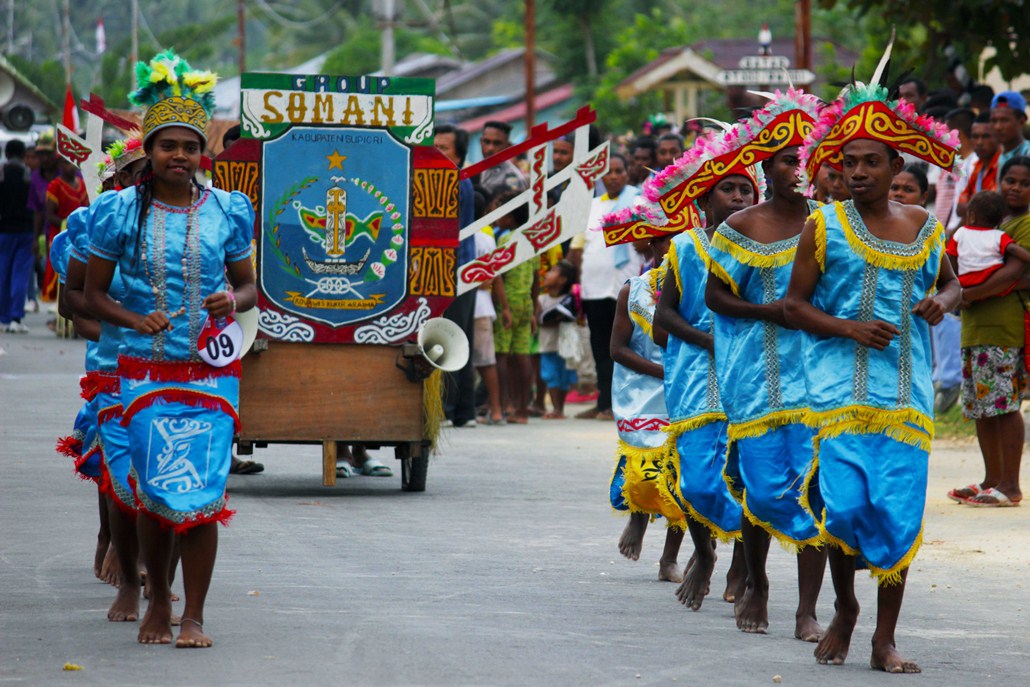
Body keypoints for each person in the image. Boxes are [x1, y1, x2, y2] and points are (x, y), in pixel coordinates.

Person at [788, 73, 963, 672]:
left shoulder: (922, 225)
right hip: (838, 387)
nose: (857, 172)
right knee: (843, 506)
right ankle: (845, 607)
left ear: (895, 167)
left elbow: (951, 284)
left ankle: (884, 639)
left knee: (896, 511)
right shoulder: (823, 225)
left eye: (870, 162)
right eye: (849, 162)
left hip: (905, 391)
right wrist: (849, 328)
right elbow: (794, 306)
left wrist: (943, 302)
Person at [84, 50, 256, 648]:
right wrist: (135, 318)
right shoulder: (117, 212)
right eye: (167, 146)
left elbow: (250, 286)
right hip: (142, 371)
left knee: (204, 495)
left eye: (189, 147)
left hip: (212, 372)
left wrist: (231, 300)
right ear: (150, 152)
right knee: (155, 493)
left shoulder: (228, 210)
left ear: (202, 153)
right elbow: (91, 294)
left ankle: (195, 616)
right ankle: (156, 597)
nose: (179, 155)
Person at [704, 90, 828, 640]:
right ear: (766, 167)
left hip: (816, 375)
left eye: (807, 159)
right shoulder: (742, 225)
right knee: (760, 487)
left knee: (814, 488)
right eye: (787, 160)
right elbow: (715, 297)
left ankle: (808, 610)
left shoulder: (830, 223)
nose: (798, 170)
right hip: (753, 374)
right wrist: (768, 311)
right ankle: (756, 582)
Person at [647, 124, 754, 611]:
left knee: (745, 472)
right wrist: (707, 340)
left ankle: (743, 560)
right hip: (693, 373)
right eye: (727, 189)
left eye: (745, 190)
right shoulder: (685, 247)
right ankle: (706, 550)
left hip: (748, 373)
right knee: (696, 480)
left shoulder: (762, 248)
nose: (738, 197)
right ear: (704, 201)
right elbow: (665, 317)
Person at [600, 203, 685, 581]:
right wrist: (660, 372)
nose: (673, 248)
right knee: (644, 468)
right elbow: (617, 349)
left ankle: (670, 558)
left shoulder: (698, 288)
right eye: (666, 240)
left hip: (686, 388)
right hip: (642, 390)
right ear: (652, 243)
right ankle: (638, 515)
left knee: (683, 475)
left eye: (681, 240)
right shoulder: (632, 291)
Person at [947, 158, 1030, 507]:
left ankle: (1010, 485)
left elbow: (1016, 274)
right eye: (1010, 180)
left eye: (1024, 183)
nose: (1015, 187)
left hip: (1003, 326)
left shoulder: (1024, 226)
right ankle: (991, 479)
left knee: (1004, 404)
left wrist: (965, 294)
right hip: (976, 327)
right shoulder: (990, 225)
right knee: (981, 405)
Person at [568, 153, 641, 420]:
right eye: (608, 172)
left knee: (626, 346)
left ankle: (624, 405)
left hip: (625, 287)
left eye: (619, 171)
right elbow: (577, 249)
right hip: (593, 288)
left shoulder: (638, 201)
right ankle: (603, 403)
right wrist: (575, 284)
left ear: (627, 173)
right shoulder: (592, 206)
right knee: (600, 346)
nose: (613, 176)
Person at [435, 123, 480, 428]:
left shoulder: (453, 181)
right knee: (461, 337)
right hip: (461, 268)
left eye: (444, 148)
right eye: (434, 147)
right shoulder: (456, 179)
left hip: (455, 269)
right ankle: (465, 411)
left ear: (459, 156)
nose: (437, 153)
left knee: (450, 337)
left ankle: (448, 409)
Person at [491, 190, 537, 424]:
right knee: (522, 355)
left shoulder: (505, 240)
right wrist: (534, 310)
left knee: (501, 354)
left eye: (501, 212)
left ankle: (503, 405)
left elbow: (499, 275)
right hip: (526, 303)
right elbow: (536, 278)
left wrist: (504, 307)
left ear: (510, 216)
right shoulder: (534, 240)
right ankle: (522, 410)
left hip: (507, 302)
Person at [0, 139, 34, 333]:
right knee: (20, 274)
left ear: (6, 154)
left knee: (3, 273)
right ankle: (16, 318)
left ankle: (3, 318)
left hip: (4, 230)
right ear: (23, 155)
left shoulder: (1, 173)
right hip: (26, 230)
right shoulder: (28, 174)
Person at [537, 260, 578, 418]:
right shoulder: (541, 299)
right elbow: (540, 319)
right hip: (548, 345)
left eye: (553, 271)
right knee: (551, 375)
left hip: (565, 346)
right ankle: (556, 408)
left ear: (562, 280)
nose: (547, 274)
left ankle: (560, 409)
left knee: (564, 376)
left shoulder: (570, 299)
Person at [27, 130, 58, 303]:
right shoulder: (36, 177)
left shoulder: (67, 172)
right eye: (41, 154)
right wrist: (34, 238)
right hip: (48, 232)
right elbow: (38, 211)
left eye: (48, 153)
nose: (44, 158)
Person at [476, 121, 527, 198]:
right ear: (481, 142)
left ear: (508, 146)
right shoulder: (476, 172)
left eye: (497, 143)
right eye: (486, 142)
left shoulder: (513, 179)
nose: (490, 148)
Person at [991, 91, 1029, 183]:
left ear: (1022, 121)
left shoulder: (1028, 153)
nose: (998, 127)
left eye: (1004, 120)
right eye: (994, 121)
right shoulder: (1000, 156)